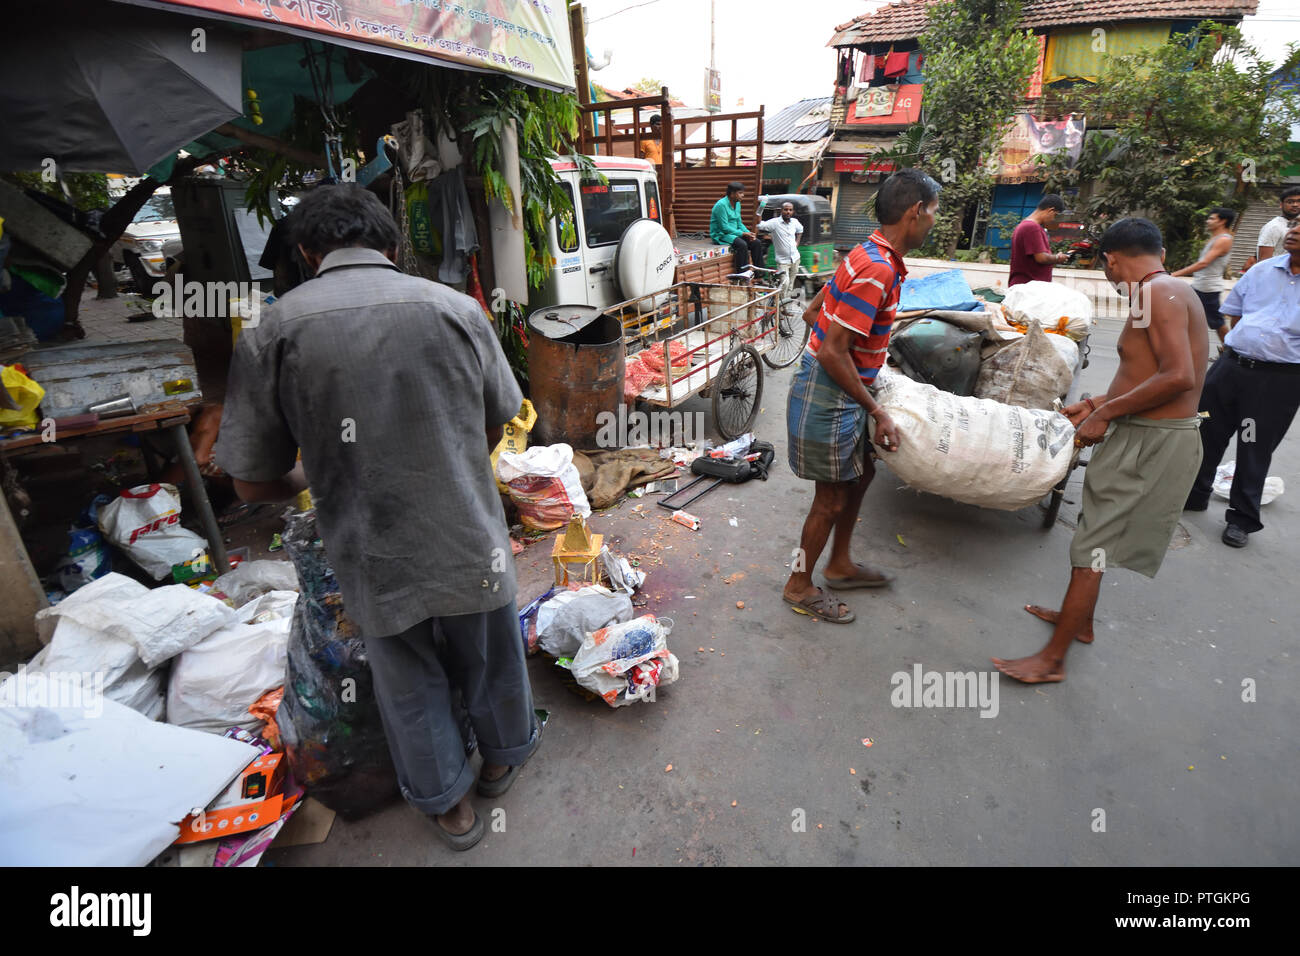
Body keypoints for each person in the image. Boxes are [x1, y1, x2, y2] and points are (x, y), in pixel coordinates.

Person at [216, 185, 541, 851]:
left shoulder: (273, 330)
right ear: (393, 246)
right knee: (489, 653)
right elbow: (495, 421)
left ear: (307, 253)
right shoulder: (457, 311)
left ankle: (449, 806)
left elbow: (251, 478)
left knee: (406, 676)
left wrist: (322, 473)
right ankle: (503, 756)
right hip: (466, 537)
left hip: (371, 548)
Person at [994, 218, 1207, 683]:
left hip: (1152, 440)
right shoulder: (1164, 289)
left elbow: (1178, 377)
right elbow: (1145, 374)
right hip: (1144, 431)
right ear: (1162, 252)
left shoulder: (1156, 294)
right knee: (1097, 532)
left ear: (1111, 260)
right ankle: (1080, 623)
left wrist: (1105, 416)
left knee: (1092, 544)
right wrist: (1093, 403)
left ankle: (1052, 661)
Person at [782, 168, 941, 623]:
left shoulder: (865, 252)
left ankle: (840, 563)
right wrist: (875, 407)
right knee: (829, 498)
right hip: (829, 392)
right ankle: (798, 581)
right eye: (932, 212)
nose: (933, 221)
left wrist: (864, 358)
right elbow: (833, 350)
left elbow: (815, 312)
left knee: (861, 475)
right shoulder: (877, 268)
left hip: (837, 385)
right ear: (915, 213)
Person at [1184, 220, 1300, 548]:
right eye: (1294, 225)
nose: (1294, 231)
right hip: (1230, 367)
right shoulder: (1262, 271)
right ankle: (1195, 494)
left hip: (1278, 381)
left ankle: (1241, 519)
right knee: (1205, 431)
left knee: (1254, 447)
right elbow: (1235, 315)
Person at [1170, 207, 1235, 345]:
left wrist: (1174, 274)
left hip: (1207, 288)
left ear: (1223, 221)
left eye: (1212, 218)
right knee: (1189, 316)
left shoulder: (1223, 240)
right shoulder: (1216, 238)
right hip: (1201, 286)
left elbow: (1203, 263)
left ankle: (1231, 350)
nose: (1208, 221)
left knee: (1216, 322)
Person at [1008, 194, 1069, 287]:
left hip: (1027, 287)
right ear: (1050, 211)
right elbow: (1041, 258)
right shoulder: (1032, 227)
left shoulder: (1026, 225)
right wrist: (1058, 258)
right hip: (1028, 288)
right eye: (1055, 215)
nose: (1053, 219)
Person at [1241, 185, 1300, 273]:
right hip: (1277, 276)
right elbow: (1263, 261)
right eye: (1290, 202)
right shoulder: (1274, 227)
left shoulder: (1297, 225)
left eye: (1299, 201)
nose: (1295, 205)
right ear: (1281, 205)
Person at [711, 181, 765, 272]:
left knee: (756, 242)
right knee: (742, 245)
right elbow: (724, 227)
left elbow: (739, 223)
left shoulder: (737, 204)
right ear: (732, 194)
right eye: (740, 193)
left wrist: (749, 233)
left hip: (735, 233)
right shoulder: (721, 205)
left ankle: (759, 275)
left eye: (743, 193)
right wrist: (743, 233)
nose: (743, 195)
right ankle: (742, 275)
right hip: (721, 234)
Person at [756, 201, 804, 297]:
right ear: (781, 211)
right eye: (785, 209)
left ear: (793, 211)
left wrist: (797, 242)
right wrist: (760, 209)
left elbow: (800, 230)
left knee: (790, 285)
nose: (788, 212)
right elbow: (759, 224)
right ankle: (781, 307)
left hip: (795, 259)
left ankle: (785, 306)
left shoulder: (794, 222)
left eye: (790, 210)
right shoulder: (774, 223)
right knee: (785, 284)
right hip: (783, 261)